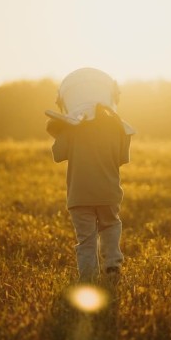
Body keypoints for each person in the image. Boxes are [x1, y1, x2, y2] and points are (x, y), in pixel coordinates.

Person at [46, 68, 134, 283]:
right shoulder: (118, 128)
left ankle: (88, 279)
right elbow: (123, 158)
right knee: (111, 225)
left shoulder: (72, 130)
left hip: (79, 196)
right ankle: (112, 263)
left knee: (86, 240)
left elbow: (58, 155)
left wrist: (60, 130)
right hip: (108, 192)